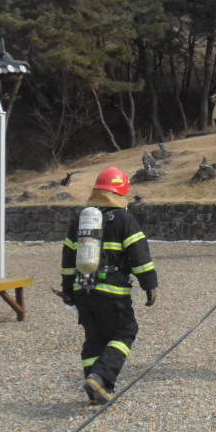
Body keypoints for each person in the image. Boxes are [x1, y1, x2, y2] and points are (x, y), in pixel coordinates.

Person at [59, 167, 159, 405]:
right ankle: (101, 377)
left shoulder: (80, 221)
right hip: (112, 290)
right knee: (124, 332)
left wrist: (68, 291)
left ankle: (98, 389)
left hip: (83, 289)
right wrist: (150, 285)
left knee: (94, 338)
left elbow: (68, 259)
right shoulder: (123, 219)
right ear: (121, 192)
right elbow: (139, 255)